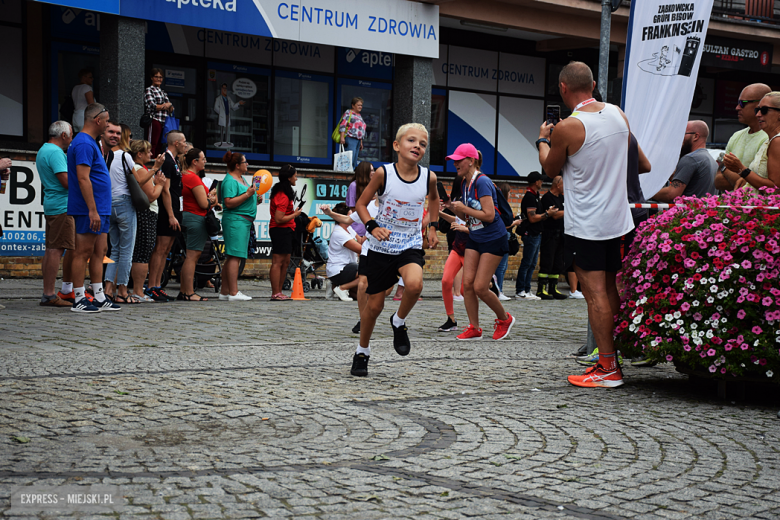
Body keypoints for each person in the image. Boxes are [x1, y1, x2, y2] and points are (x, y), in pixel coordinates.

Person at [537, 61, 634, 388]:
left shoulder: (569, 127)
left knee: (595, 296)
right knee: (610, 290)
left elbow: (551, 170)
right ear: (593, 84)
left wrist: (543, 140)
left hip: (588, 223)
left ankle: (608, 368)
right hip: (618, 219)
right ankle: (613, 358)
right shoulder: (619, 114)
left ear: (563, 88)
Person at [351, 122, 439, 377]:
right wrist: (372, 226)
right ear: (397, 146)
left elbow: (433, 199)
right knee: (374, 306)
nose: (418, 147)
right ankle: (362, 351)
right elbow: (361, 204)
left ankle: (399, 321)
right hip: (381, 247)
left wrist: (432, 227)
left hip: (409, 245)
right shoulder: (383, 173)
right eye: (412, 141)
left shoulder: (428, 177)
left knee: (414, 284)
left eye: (422, 144)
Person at [443, 143, 514, 341]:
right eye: (454, 160)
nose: (455, 163)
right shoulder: (465, 184)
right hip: (475, 236)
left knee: (481, 287)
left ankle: (504, 318)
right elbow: (469, 219)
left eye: (459, 160)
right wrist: (452, 207)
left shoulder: (482, 182)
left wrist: (464, 209)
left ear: (471, 161)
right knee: (467, 285)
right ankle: (474, 327)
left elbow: (489, 215)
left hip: (493, 238)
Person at [66, 102, 121, 313]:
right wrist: (91, 209)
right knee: (83, 251)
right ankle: (79, 297)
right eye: (106, 121)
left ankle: (99, 295)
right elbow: (82, 178)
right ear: (97, 120)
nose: (107, 125)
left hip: (101, 208)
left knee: (101, 250)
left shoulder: (91, 143)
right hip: (89, 209)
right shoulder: (83, 144)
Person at [146, 130, 188, 302]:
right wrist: (171, 215)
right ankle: (152, 286)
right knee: (160, 249)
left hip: (176, 208)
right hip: (166, 211)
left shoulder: (175, 161)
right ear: (176, 143)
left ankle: (158, 285)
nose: (186, 144)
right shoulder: (166, 160)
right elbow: (165, 190)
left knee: (167, 250)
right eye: (184, 141)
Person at [37, 121, 75, 307]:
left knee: (52, 248)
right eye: (71, 134)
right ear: (63, 135)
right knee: (56, 249)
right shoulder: (55, 152)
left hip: (53, 203)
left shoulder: (44, 149)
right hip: (62, 205)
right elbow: (66, 182)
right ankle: (50, 294)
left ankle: (48, 293)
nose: (72, 138)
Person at [103, 121, 137, 303]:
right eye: (130, 136)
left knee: (114, 250)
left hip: (108, 205)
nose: (131, 139)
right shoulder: (125, 156)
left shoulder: (105, 155)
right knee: (126, 251)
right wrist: (155, 169)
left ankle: (108, 289)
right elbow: (138, 180)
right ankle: (123, 290)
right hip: (124, 204)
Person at [128, 140, 166, 303]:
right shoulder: (138, 169)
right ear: (139, 154)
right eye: (148, 152)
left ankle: (137, 289)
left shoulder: (141, 169)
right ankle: (137, 290)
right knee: (142, 254)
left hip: (147, 214)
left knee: (141, 253)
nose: (151, 155)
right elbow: (151, 195)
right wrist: (159, 184)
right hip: (146, 214)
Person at [715, 83, 771, 192]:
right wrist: (744, 179)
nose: (737, 108)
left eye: (742, 103)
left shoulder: (771, 138)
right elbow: (718, 182)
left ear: (760, 104)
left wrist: (725, 169)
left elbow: (759, 186)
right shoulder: (736, 136)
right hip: (731, 206)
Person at [218, 151, 258, 301]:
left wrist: (253, 197)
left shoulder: (241, 179)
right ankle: (233, 293)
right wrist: (248, 195)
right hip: (236, 221)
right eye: (244, 162)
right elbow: (228, 202)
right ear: (237, 165)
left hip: (243, 221)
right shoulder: (230, 180)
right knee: (235, 256)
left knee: (232, 257)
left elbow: (242, 197)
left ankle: (224, 292)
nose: (247, 164)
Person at [723, 91, 780, 193]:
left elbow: (775, 189)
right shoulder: (770, 140)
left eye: (764, 110)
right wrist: (748, 179)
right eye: (757, 110)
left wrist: (742, 170)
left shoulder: (778, 141)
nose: (758, 114)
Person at [177, 148, 213, 301]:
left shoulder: (184, 176)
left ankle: (185, 291)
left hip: (188, 216)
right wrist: (213, 200)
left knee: (190, 256)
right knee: (192, 257)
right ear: (194, 161)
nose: (205, 161)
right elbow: (204, 203)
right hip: (195, 218)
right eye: (203, 159)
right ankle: (188, 292)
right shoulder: (193, 178)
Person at [515, 171, 557, 300]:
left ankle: (527, 289)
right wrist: (547, 214)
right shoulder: (529, 197)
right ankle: (520, 290)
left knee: (532, 263)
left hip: (537, 233)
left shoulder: (536, 195)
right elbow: (532, 218)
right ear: (536, 182)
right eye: (541, 180)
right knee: (527, 262)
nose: (542, 182)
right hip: (531, 234)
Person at [652, 121, 717, 202]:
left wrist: (647, 192)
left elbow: (671, 194)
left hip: (688, 213)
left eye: (683, 134)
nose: (679, 138)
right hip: (703, 213)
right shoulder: (713, 161)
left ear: (696, 136)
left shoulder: (691, 159)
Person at [269, 164, 302, 301]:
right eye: (295, 176)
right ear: (289, 178)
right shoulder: (282, 195)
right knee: (278, 261)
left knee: (285, 261)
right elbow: (279, 218)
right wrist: (295, 215)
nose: (297, 178)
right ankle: (276, 292)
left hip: (287, 229)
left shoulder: (284, 191)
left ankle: (279, 291)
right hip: (280, 230)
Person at [537, 175, 568, 300]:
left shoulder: (561, 198)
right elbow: (555, 215)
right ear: (558, 184)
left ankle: (553, 288)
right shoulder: (547, 198)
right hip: (549, 234)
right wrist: (570, 211)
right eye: (564, 184)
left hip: (560, 234)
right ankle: (541, 289)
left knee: (558, 263)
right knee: (547, 261)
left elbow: (560, 212)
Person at [437, 208, 468, 332]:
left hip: (471, 250)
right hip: (457, 249)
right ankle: (451, 320)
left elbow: (483, 228)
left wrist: (464, 228)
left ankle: (502, 317)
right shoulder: (463, 196)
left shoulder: (478, 198)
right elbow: (458, 219)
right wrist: (438, 212)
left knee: (469, 289)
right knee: (446, 281)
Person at [326, 203, 362, 302]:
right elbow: (361, 249)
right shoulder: (339, 233)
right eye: (351, 215)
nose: (353, 217)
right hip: (339, 270)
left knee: (362, 296)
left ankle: (333, 285)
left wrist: (371, 230)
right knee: (368, 271)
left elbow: (361, 241)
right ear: (343, 217)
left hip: (348, 267)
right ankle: (341, 288)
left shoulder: (348, 228)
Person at [143, 68, 174, 157]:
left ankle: (157, 160)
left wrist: (168, 106)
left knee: (161, 144)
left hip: (164, 121)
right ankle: (150, 161)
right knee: (153, 143)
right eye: (156, 77)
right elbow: (151, 105)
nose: (159, 79)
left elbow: (171, 108)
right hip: (154, 119)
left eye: (160, 77)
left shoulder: (163, 92)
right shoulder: (149, 90)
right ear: (152, 78)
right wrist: (165, 106)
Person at [338, 97, 367, 170]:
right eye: (358, 105)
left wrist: (361, 141)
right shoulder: (349, 113)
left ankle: (352, 173)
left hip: (357, 140)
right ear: (353, 105)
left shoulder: (359, 115)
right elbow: (343, 125)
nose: (360, 107)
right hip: (350, 138)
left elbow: (359, 129)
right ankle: (347, 173)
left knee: (354, 159)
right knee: (349, 158)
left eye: (361, 105)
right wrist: (342, 137)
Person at [213, 83, 245, 148]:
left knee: (227, 128)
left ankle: (227, 141)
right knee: (222, 129)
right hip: (222, 116)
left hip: (227, 115)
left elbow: (233, 106)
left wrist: (239, 103)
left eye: (225, 88)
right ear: (221, 89)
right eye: (223, 88)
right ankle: (221, 142)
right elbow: (215, 108)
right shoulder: (218, 99)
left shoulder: (228, 98)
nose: (225, 90)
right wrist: (221, 113)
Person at [71, 68, 95, 133]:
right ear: (84, 77)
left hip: (76, 116)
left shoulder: (75, 88)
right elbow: (91, 105)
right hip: (84, 117)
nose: (92, 79)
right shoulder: (86, 88)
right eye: (90, 77)